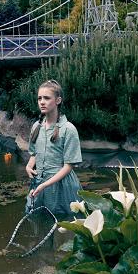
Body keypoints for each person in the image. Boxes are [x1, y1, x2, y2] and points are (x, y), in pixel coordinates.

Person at [25, 79, 82, 215]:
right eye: (39, 98)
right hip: (39, 184)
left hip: (62, 187)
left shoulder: (68, 129)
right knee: (40, 225)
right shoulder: (36, 126)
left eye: (46, 98)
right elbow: (34, 153)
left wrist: (45, 184)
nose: (42, 102)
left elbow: (69, 166)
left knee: (64, 228)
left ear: (58, 100)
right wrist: (28, 166)